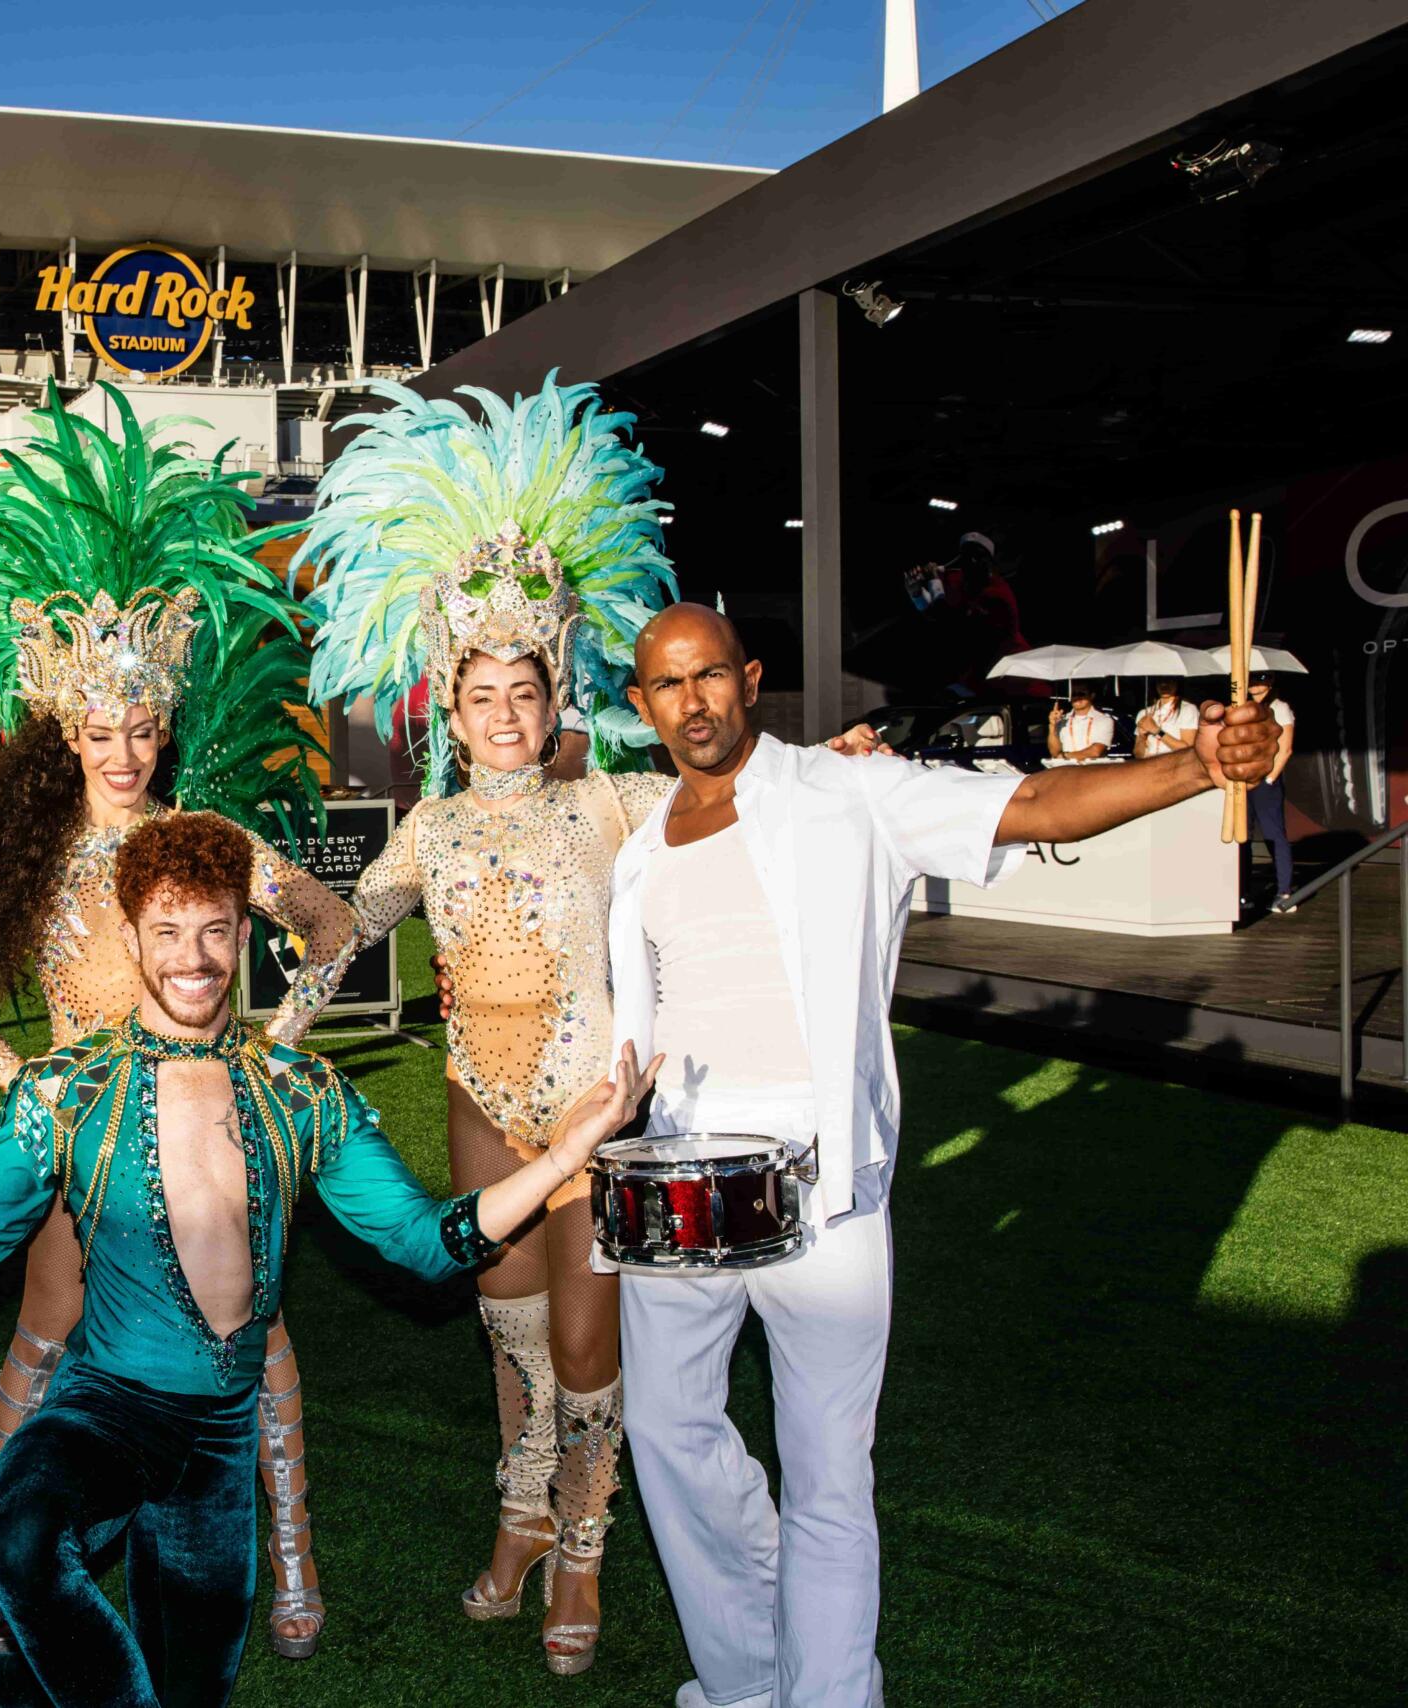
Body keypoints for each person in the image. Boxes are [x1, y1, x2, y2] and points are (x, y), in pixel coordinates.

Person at [0, 812, 664, 1708]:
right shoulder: (66, 1089)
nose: (192, 958)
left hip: (219, 1444)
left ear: (242, 932)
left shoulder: (300, 1092)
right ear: (131, 935)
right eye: (168, 931)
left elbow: (425, 1244)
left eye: (215, 931)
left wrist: (558, 1157)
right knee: (18, 1536)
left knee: (168, 1691)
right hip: (106, 1408)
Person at [608, 603, 1277, 1708]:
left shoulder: (847, 793)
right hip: (677, 1171)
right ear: (643, 706)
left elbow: (1027, 802)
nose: (694, 702)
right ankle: (741, 1678)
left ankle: (827, 1694)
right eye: (669, 685)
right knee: (666, 1429)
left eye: (711, 675)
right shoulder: (640, 850)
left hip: (820, 1174)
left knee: (827, 1471)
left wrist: (1194, 768)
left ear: (750, 679)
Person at [0, 386, 357, 1660]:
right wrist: (23, 1082)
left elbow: (325, 924)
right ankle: (8, 1581)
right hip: (80, 1148)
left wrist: (278, 1050)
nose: (121, 747)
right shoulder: (37, 849)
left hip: (214, 1128)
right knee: (44, 1342)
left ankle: (290, 1563)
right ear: (64, 725)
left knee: (251, 1334)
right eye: (98, 727)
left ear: (167, 723)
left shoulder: (204, 845)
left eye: (142, 724)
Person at [294, 372, 692, 1675]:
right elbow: (356, 926)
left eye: (526, 691)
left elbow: (724, 809)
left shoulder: (612, 801)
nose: (506, 715)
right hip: (481, 1100)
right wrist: (278, 1029)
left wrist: (822, 772)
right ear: (447, 709)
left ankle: (581, 1552)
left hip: (591, 1107)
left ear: (556, 687)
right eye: (482, 697)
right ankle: (523, 1519)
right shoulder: (433, 823)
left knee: (586, 1345)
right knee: (508, 1332)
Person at [1247, 674, 1298, 914]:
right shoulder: (1245, 707)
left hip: (1266, 781)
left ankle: (1285, 892)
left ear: (1271, 684)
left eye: (1260, 682)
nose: (1255, 687)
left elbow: (1286, 748)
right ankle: (1242, 892)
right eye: (1252, 682)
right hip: (1243, 781)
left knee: (1274, 834)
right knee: (1242, 837)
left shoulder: (1280, 708)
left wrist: (1270, 778)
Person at [1135, 678, 1198, 759]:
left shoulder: (1188, 709)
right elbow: (1138, 755)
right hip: (1150, 767)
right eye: (1160, 681)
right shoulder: (1144, 713)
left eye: (1169, 680)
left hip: (1174, 767)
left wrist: (1157, 731)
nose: (1164, 685)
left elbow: (1187, 750)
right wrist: (1141, 737)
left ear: (1177, 683)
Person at [1046, 687, 1114, 763]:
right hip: (1067, 771)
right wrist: (1052, 726)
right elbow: (1054, 753)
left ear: (1092, 695)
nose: (1077, 697)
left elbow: (1095, 751)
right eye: (1073, 694)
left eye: (1081, 694)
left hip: (1093, 770)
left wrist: (1065, 756)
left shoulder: (1103, 720)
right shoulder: (1063, 721)